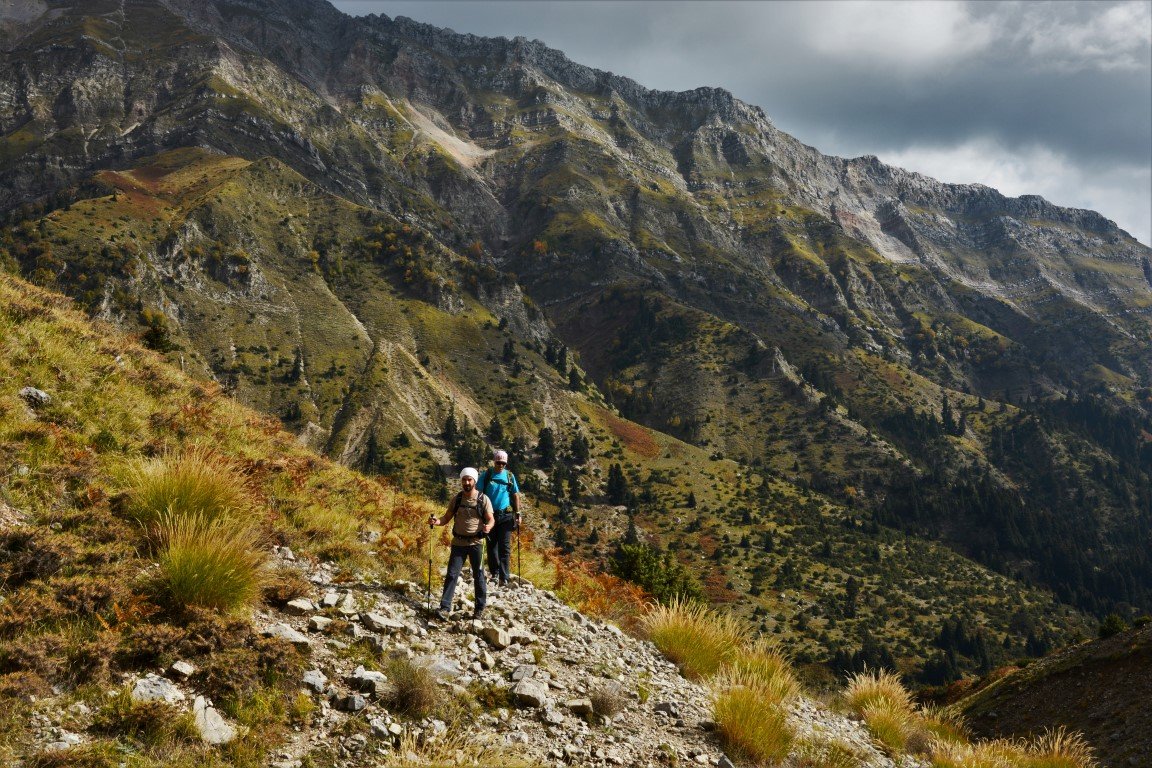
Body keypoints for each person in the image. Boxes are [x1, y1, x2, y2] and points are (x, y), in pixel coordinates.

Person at [429, 467, 494, 620]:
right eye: (464, 480)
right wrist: (436, 521)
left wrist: (488, 527)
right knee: (452, 574)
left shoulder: (483, 499)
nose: (466, 482)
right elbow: (446, 518)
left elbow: (491, 519)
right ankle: (445, 608)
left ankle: (479, 608)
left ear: (474, 481)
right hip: (458, 543)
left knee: (479, 576)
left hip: (476, 542)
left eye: (469, 480)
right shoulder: (457, 499)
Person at [479, 449, 521, 587]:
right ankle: (495, 573)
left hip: (506, 516)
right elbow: (478, 493)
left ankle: (504, 576)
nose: (500, 465)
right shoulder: (487, 475)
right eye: (498, 462)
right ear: (494, 461)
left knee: (505, 547)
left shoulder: (509, 476)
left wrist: (518, 513)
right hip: (489, 515)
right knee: (492, 546)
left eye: (503, 463)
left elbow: (515, 495)